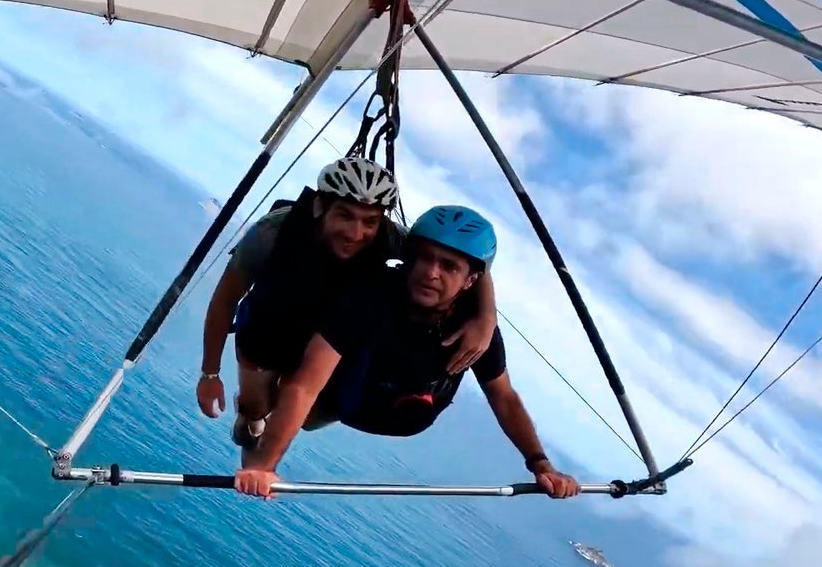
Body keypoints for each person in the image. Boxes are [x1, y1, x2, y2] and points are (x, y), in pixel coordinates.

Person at [233, 204, 580, 500]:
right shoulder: (369, 296)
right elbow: (305, 386)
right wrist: (266, 467)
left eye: (449, 267)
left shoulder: (473, 328)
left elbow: (504, 397)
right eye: (424, 259)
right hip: (341, 399)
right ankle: (253, 414)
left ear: (470, 281)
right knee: (284, 378)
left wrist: (541, 464)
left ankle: (262, 420)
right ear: (408, 257)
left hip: (404, 414)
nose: (431, 273)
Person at [196, 156, 496, 450]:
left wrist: (486, 318)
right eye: (345, 215)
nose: (356, 233)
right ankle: (252, 415)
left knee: (307, 416)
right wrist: (210, 374)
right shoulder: (270, 234)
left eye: (370, 221)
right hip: (271, 327)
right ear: (320, 206)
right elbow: (224, 301)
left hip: (328, 335)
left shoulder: (389, 238)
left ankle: (276, 416)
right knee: (255, 409)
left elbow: (463, 256)